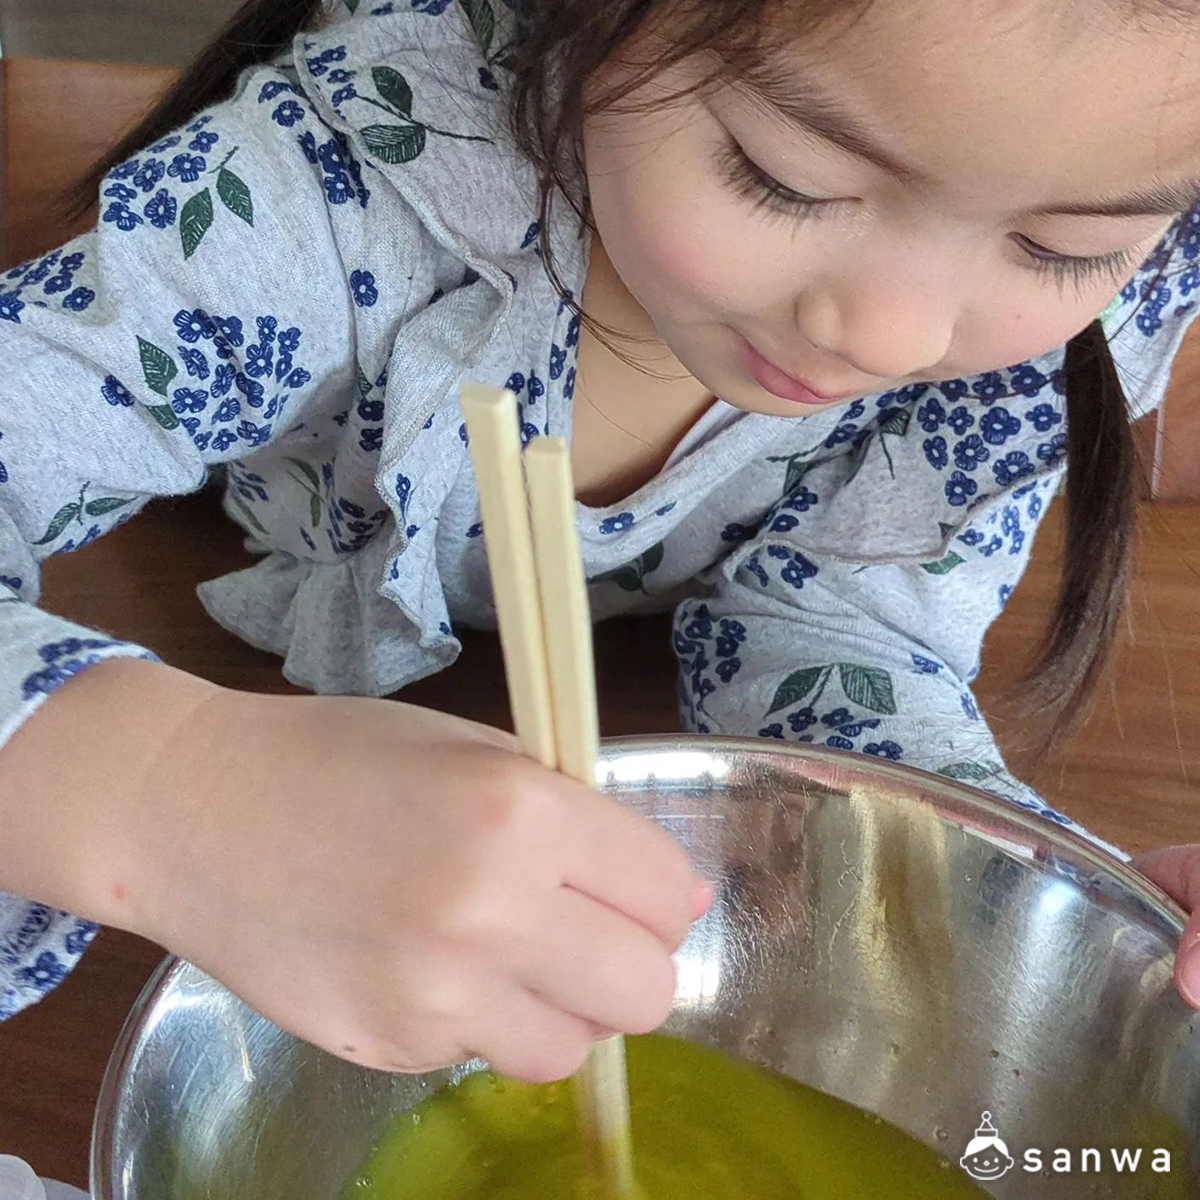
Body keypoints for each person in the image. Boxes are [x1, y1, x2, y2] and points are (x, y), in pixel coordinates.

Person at [1, 0, 1198, 1082]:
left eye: (1060, 247)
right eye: (783, 175)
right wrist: (171, 789)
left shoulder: (1015, 353)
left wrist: (1071, 913)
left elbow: (841, 627)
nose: (890, 334)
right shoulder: (328, 193)